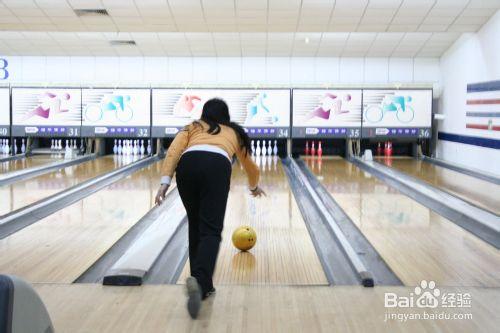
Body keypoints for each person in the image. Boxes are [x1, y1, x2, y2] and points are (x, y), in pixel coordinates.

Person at [155, 98, 266, 319]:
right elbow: (250, 166)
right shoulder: (233, 132)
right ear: (226, 115)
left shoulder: (192, 127)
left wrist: (165, 181)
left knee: (195, 225)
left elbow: (174, 150)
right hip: (216, 167)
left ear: (204, 113)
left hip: (187, 166)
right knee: (211, 230)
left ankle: (201, 281)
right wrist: (253, 186)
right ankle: (201, 282)